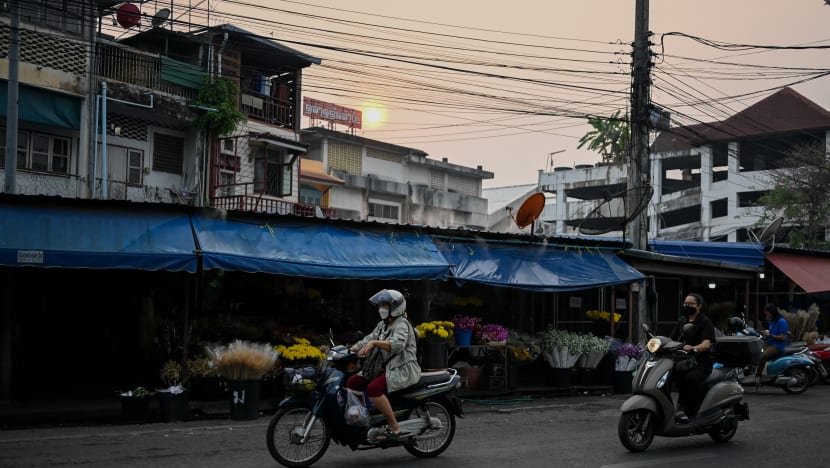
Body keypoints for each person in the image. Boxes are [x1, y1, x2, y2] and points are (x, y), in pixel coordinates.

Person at [347, 289, 421, 440]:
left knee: (373, 389)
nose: (381, 309)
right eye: (380, 306)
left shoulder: (402, 324)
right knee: (353, 382)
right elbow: (369, 338)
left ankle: (394, 426)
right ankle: (363, 417)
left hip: (401, 368)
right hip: (383, 367)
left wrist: (375, 343)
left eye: (385, 306)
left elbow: (397, 345)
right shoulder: (383, 325)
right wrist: (350, 349)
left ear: (395, 308)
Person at [670, 292, 716, 423]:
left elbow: (706, 343)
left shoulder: (705, 322)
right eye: (685, 303)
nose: (686, 306)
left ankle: (690, 411)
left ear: (699, 306)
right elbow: (671, 339)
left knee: (689, 378)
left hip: (701, 362)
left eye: (690, 304)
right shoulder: (682, 321)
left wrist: (693, 348)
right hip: (683, 360)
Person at [756, 303, 789, 382]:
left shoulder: (782, 322)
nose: (767, 316)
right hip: (770, 343)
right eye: (766, 315)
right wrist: (764, 333)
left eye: (768, 314)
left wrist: (770, 335)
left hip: (777, 346)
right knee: (756, 352)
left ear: (773, 313)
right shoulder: (771, 321)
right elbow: (771, 333)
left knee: (762, 357)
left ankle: (758, 376)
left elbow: (783, 338)